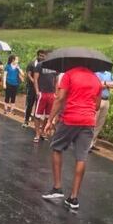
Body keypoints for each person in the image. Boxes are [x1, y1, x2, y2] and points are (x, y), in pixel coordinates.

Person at [41, 66, 103, 211]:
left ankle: (57, 187)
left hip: (70, 118)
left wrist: (50, 120)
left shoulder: (69, 75)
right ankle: (74, 198)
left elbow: (60, 98)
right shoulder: (96, 79)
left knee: (56, 148)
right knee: (81, 157)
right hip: (88, 121)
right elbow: (97, 105)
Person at [89, 70, 113, 151]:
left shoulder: (109, 74)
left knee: (100, 123)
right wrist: (108, 84)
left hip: (106, 100)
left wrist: (104, 83)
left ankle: (92, 143)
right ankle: (87, 144)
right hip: (97, 100)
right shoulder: (95, 73)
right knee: (93, 122)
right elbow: (97, 85)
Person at [33, 52, 57, 143]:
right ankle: (37, 134)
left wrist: (55, 93)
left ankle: (43, 132)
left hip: (51, 94)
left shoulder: (54, 67)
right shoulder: (40, 65)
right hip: (42, 93)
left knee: (48, 115)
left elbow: (56, 80)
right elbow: (35, 79)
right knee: (38, 115)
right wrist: (37, 91)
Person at [23, 52, 41, 128]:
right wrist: (34, 81)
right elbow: (28, 74)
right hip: (31, 88)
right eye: (40, 55)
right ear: (37, 56)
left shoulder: (44, 65)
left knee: (38, 106)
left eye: (43, 56)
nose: (42, 57)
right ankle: (26, 121)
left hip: (40, 88)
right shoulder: (32, 64)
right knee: (30, 104)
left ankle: (36, 122)